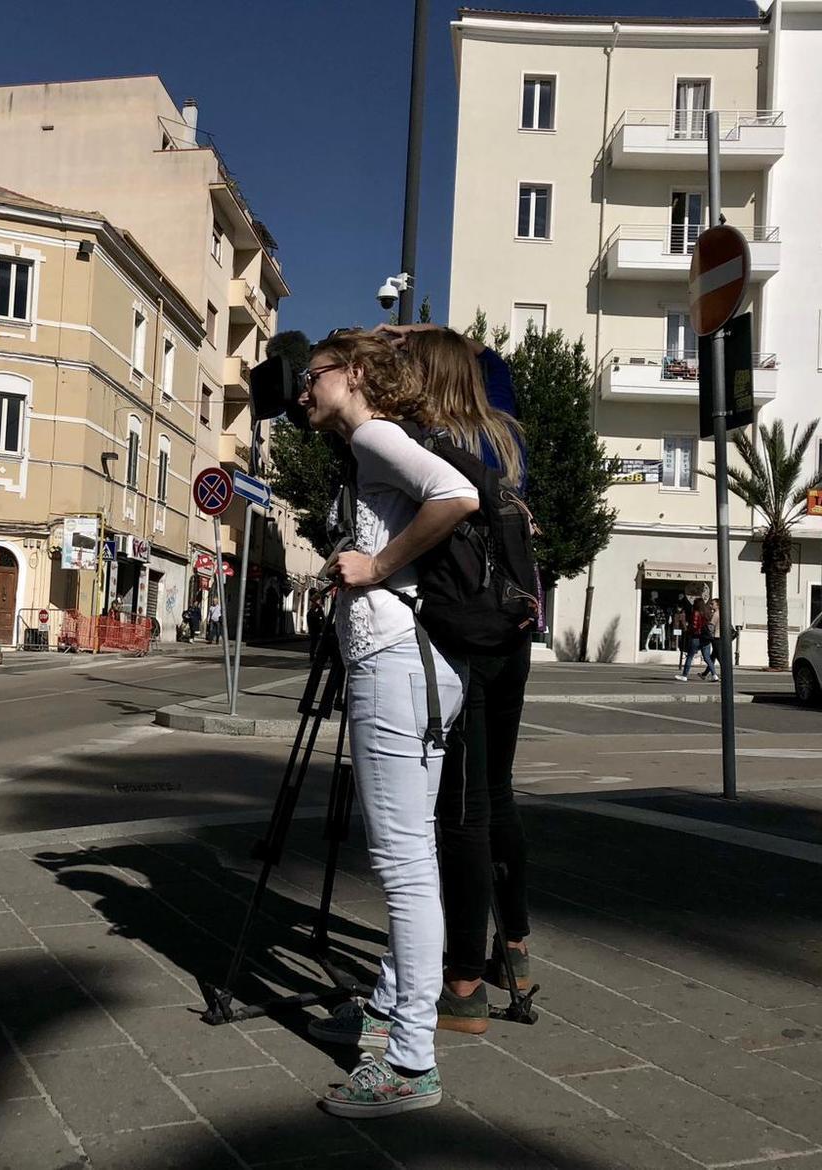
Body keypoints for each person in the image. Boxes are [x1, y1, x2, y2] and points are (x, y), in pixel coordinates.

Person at [298, 329, 478, 1118]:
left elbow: (455, 495)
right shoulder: (374, 445)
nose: (304, 390)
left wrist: (373, 566)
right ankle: (390, 1016)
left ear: (357, 375)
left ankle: (410, 1061)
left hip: (396, 665)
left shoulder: (376, 435)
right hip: (423, 666)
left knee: (403, 867)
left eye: (315, 376)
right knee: (416, 862)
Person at [379, 323, 534, 1037]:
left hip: (460, 634)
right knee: (497, 792)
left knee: (459, 812)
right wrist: (448, 338)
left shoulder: (420, 439)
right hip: (512, 629)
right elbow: (493, 368)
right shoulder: (505, 435)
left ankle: (464, 983)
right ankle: (516, 952)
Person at [677, 597, 719, 681]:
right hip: (706, 638)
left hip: (696, 637)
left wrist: (689, 630)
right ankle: (714, 675)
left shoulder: (696, 613)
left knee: (690, 656)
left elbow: (695, 626)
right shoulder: (707, 613)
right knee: (707, 657)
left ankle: (684, 675)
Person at [306, 591, 327, 660]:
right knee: (314, 643)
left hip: (317, 628)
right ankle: (313, 655)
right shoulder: (313, 610)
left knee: (316, 643)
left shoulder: (318, 609)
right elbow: (310, 618)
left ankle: (315, 655)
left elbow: (322, 618)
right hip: (314, 628)